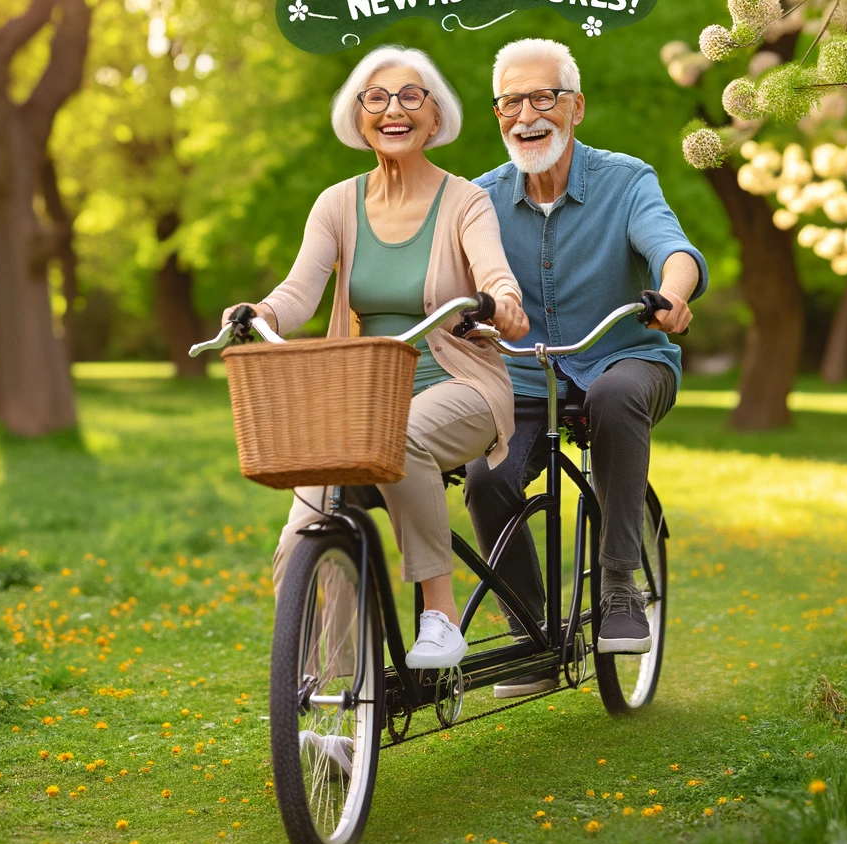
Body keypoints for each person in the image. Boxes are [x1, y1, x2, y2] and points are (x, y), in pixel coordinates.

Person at [223, 45, 528, 670]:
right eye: (377, 97)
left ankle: (439, 616)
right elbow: (297, 292)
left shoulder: (465, 201)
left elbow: (496, 275)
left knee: (406, 436)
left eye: (411, 96)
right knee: (307, 524)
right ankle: (333, 697)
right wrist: (260, 315)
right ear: (358, 117)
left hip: (459, 382)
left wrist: (502, 302)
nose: (394, 109)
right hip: (363, 396)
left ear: (435, 117)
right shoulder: (337, 203)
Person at [464, 37, 708, 697]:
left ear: (575, 107)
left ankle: (620, 585)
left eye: (542, 97)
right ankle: (530, 634)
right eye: (511, 101)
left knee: (614, 396)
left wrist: (674, 295)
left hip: (625, 357)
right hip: (522, 377)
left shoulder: (625, 180)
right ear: (498, 115)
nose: (526, 114)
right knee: (485, 479)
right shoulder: (479, 199)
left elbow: (671, 248)